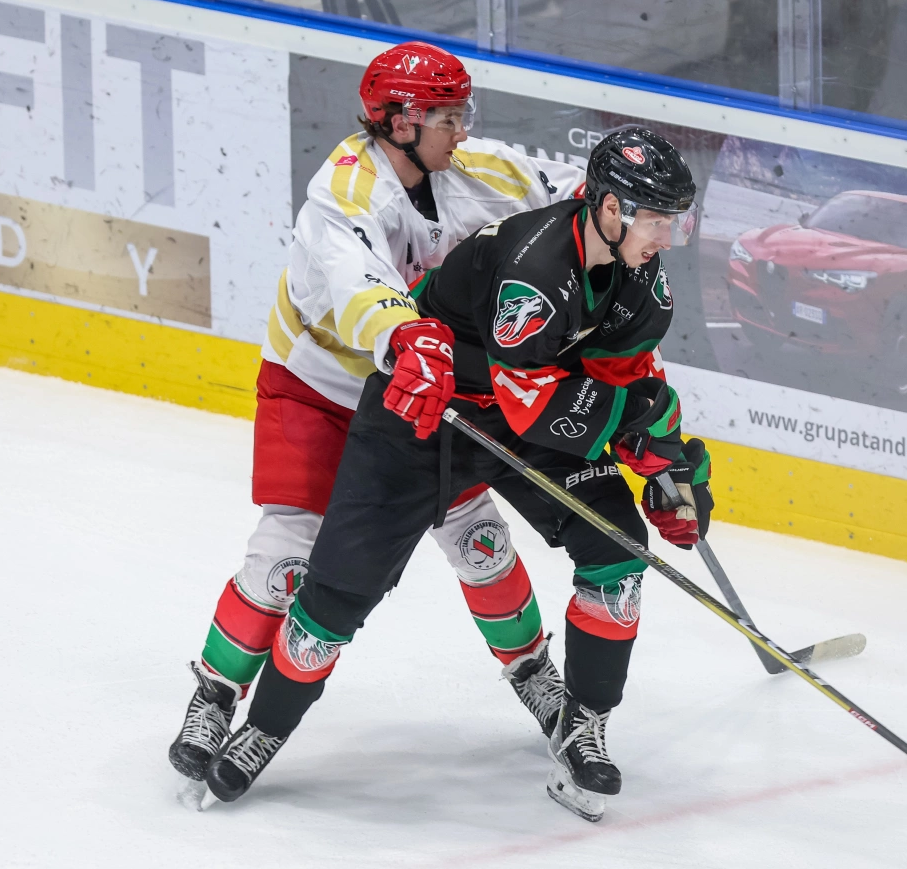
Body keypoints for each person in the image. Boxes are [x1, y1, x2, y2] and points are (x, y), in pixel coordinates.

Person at [204, 128, 714, 822]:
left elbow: (629, 379)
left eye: (674, 222)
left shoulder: (643, 280)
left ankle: (582, 727)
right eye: (656, 220)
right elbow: (534, 405)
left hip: (523, 412)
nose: (666, 237)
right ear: (610, 209)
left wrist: (671, 466)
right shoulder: (537, 267)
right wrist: (634, 434)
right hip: (424, 414)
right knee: (338, 591)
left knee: (618, 548)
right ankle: (265, 726)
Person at [168, 41, 585, 784]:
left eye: (462, 114)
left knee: (479, 541)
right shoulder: (342, 192)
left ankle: (534, 675)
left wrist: (621, 203)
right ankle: (215, 694)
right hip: (323, 387)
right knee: (286, 556)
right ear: (399, 122)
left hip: (422, 397)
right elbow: (362, 285)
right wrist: (408, 336)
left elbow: (572, 201)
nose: (462, 129)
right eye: (448, 117)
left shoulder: (479, 171)